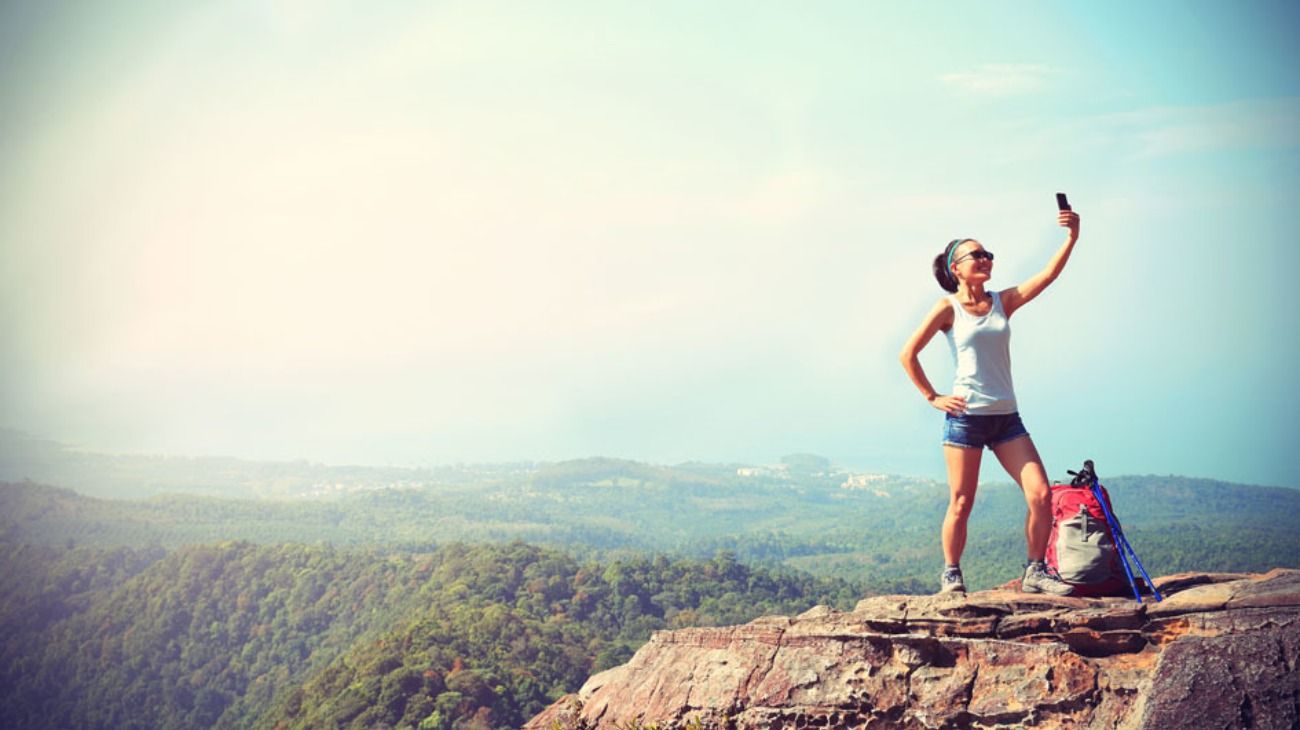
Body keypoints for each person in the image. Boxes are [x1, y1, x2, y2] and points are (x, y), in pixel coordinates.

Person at [899, 207, 1081, 595]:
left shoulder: (1003, 301)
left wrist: (1071, 238)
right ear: (955, 269)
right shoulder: (946, 308)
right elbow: (907, 354)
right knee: (962, 502)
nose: (985, 260)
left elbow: (1046, 276)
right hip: (967, 418)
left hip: (1006, 417)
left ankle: (1035, 571)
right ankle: (951, 573)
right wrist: (932, 396)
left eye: (988, 254)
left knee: (1041, 494)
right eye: (976, 255)